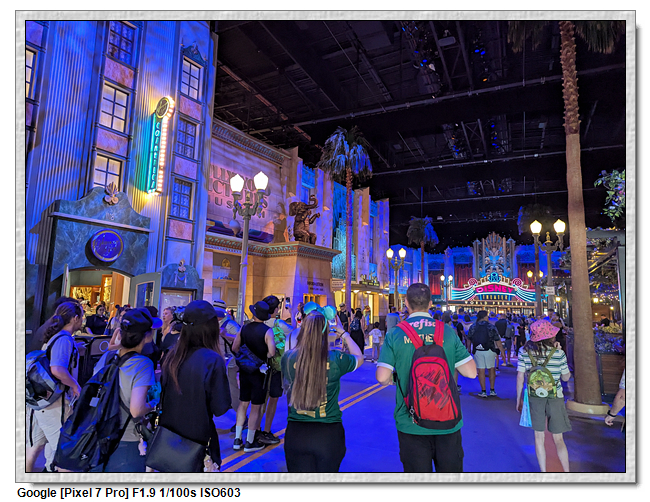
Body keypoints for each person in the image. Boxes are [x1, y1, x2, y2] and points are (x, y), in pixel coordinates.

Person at [376, 283, 476, 473]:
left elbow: (382, 377)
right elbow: (471, 372)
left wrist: (393, 379)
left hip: (410, 422)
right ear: (430, 304)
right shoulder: (447, 331)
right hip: (447, 420)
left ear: (406, 303)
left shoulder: (396, 333)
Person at [281, 309, 364, 472]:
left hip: (296, 433)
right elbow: (359, 357)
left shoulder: (288, 357)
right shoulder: (335, 359)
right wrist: (344, 334)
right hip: (328, 434)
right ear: (325, 333)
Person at [157, 300, 231, 471]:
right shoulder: (212, 360)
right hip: (198, 443)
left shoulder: (172, 355)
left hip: (168, 440)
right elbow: (220, 407)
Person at [88, 308, 157, 472]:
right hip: (126, 439)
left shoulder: (108, 356)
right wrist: (153, 404)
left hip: (99, 434)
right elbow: (136, 409)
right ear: (147, 336)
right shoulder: (143, 364)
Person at [26, 301, 83, 472]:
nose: (82, 321)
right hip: (55, 404)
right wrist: (75, 385)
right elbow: (57, 369)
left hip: (42, 403)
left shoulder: (54, 336)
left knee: (36, 447)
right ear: (75, 318)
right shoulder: (64, 339)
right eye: (81, 317)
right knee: (62, 453)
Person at [516, 319, 572, 472]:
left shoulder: (523, 352)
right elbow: (566, 377)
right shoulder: (558, 353)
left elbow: (520, 377)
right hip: (555, 397)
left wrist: (518, 399)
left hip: (534, 397)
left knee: (539, 437)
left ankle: (543, 472)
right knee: (558, 439)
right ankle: (567, 472)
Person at [232, 301, 276, 452]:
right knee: (256, 406)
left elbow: (235, 347)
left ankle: (237, 439)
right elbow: (272, 352)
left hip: (245, 371)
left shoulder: (244, 328)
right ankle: (250, 441)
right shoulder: (268, 331)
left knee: (243, 403)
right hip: (259, 372)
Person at [259, 295, 293, 445]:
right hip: (275, 368)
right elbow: (295, 333)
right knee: (273, 400)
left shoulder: (257, 324)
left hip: (259, 366)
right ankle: (266, 431)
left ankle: (255, 430)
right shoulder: (279, 324)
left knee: (259, 401)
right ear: (276, 309)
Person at [467, 310, 505, 398]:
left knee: (481, 370)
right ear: (485, 317)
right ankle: (492, 390)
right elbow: (497, 340)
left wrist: (469, 348)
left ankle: (483, 391)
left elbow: (469, 338)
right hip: (490, 350)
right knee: (491, 369)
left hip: (478, 350)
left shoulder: (473, 326)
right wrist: (502, 352)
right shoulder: (491, 326)